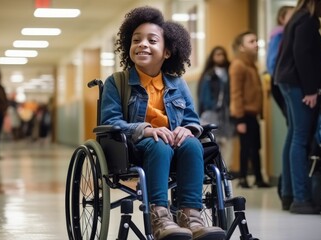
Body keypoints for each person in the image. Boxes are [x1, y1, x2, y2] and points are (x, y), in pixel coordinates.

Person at [101, 6, 225, 240]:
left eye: (152, 40)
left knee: (193, 144)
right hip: (135, 145)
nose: (142, 44)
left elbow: (191, 119)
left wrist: (186, 129)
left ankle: (190, 215)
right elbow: (111, 121)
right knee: (159, 144)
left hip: (173, 142)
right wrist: (145, 129)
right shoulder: (116, 82)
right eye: (136, 40)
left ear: (167, 52)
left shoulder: (178, 84)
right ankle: (159, 215)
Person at [274, 0, 321, 214]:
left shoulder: (297, 18)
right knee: (300, 138)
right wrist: (310, 90)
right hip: (298, 84)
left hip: (288, 81)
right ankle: (301, 198)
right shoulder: (306, 20)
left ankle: (289, 195)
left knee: (293, 136)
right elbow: (302, 54)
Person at [229, 31, 270, 189]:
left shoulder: (251, 65)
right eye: (251, 41)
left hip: (252, 114)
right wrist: (239, 118)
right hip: (244, 114)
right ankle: (244, 178)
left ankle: (258, 178)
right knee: (246, 147)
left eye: (256, 41)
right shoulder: (238, 65)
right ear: (242, 47)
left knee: (255, 146)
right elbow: (236, 93)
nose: (255, 44)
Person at [197, 46, 235, 169]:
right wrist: (211, 106)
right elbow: (204, 96)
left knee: (227, 142)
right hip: (211, 112)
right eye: (217, 54)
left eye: (222, 54)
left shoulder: (230, 72)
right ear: (212, 57)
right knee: (212, 141)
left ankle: (225, 169)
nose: (220, 57)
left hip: (226, 113)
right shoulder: (209, 75)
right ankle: (212, 168)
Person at [266, 5, 294, 119]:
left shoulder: (284, 34)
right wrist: (278, 77)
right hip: (279, 79)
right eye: (292, 15)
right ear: (282, 18)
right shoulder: (279, 34)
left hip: (279, 78)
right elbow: (271, 60)